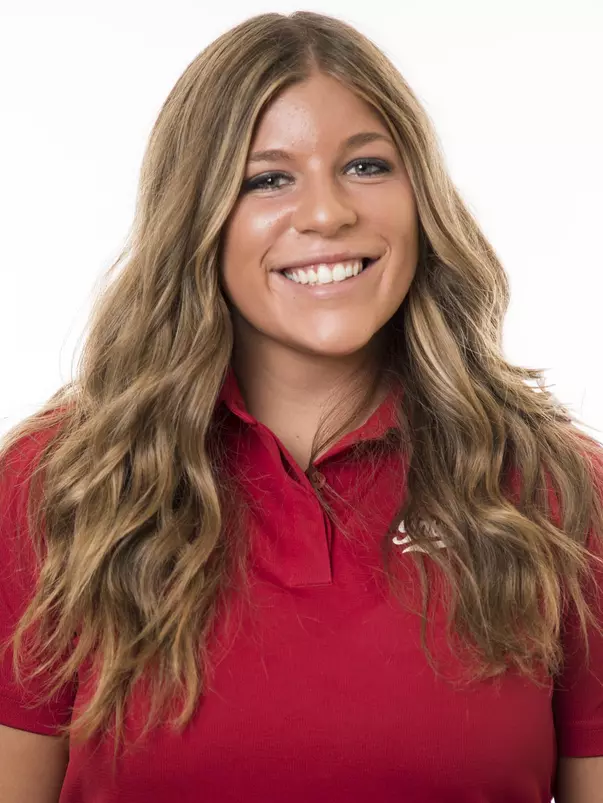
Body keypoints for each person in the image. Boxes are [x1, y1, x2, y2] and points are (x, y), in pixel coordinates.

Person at [1, 11, 602, 803]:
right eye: (267, 178)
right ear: (198, 216)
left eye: (365, 166)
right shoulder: (61, 484)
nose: (326, 213)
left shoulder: (558, 490)